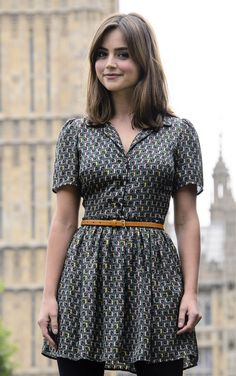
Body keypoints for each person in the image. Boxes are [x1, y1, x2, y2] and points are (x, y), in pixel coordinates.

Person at [38, 12, 203, 376]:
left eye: (122, 54)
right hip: (86, 274)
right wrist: (49, 295)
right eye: (101, 54)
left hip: (155, 274)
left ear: (144, 60)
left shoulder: (179, 133)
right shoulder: (76, 133)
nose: (109, 64)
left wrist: (190, 292)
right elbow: (64, 220)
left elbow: (187, 219)